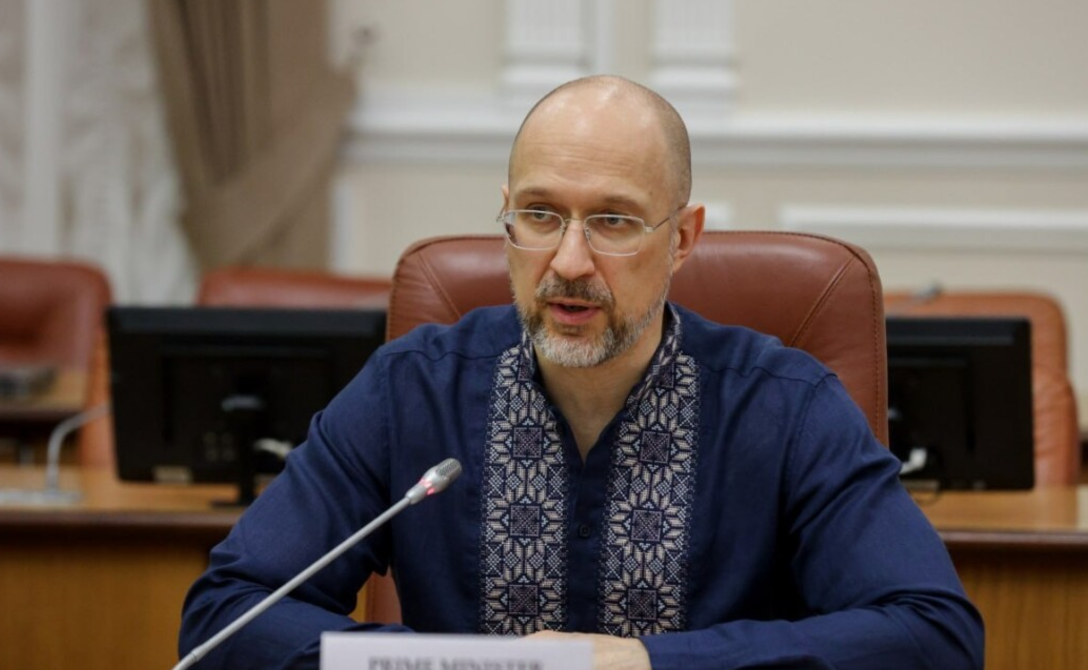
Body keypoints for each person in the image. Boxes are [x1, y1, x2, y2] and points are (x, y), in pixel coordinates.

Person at [179, 75, 984, 670]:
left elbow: (934, 636)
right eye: (539, 215)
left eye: (613, 221)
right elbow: (226, 618)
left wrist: (649, 664)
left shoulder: (786, 407)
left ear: (683, 238)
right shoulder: (412, 391)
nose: (568, 260)